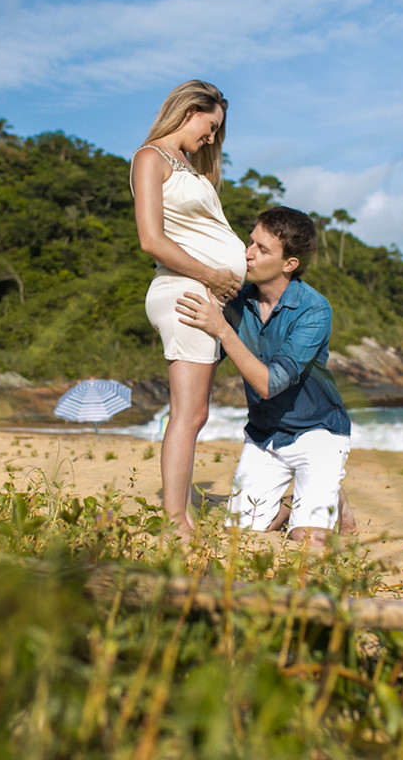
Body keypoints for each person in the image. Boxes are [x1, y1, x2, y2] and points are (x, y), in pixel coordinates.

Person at [176, 206, 356, 547]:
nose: (248, 253)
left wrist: (223, 331)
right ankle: (295, 502)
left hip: (317, 432)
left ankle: (328, 492)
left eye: (262, 249)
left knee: (308, 540)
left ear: (289, 264)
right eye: (250, 243)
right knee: (239, 533)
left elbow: (271, 384)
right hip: (264, 436)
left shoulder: (314, 309)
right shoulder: (237, 301)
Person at [132, 80, 246, 539]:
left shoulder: (189, 167)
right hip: (186, 291)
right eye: (211, 125)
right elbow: (151, 239)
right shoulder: (150, 158)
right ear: (189, 110)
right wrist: (214, 276)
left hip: (204, 292)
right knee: (188, 413)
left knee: (194, 412)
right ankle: (175, 520)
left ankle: (179, 516)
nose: (213, 137)